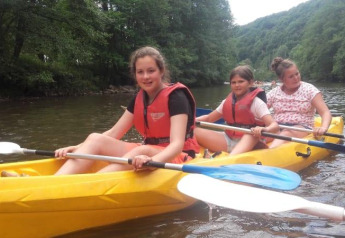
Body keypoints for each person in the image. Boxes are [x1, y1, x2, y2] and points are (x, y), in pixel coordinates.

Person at [16, 46, 197, 176]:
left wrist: (148, 159)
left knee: (138, 152)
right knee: (96, 138)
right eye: (140, 72)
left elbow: (176, 145)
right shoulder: (139, 98)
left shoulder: (176, 97)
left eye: (151, 71)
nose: (146, 76)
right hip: (148, 150)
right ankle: (53, 183)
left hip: (177, 156)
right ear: (134, 74)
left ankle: (91, 184)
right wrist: (78, 147)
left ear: (161, 71)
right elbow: (114, 133)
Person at [195, 65, 279, 155]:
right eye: (233, 82)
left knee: (252, 134)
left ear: (250, 83)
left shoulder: (257, 103)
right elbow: (209, 118)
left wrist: (263, 129)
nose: (237, 85)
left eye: (241, 81)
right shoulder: (226, 102)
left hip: (249, 141)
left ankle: (230, 159)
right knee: (193, 130)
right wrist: (192, 121)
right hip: (228, 139)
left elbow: (274, 126)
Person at [267, 57, 332, 148]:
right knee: (256, 135)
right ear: (281, 79)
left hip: (302, 128)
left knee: (286, 133)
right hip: (277, 127)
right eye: (291, 76)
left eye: (297, 74)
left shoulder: (309, 90)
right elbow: (261, 112)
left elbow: (325, 112)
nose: (296, 78)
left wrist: (323, 127)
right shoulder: (273, 93)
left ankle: (269, 153)